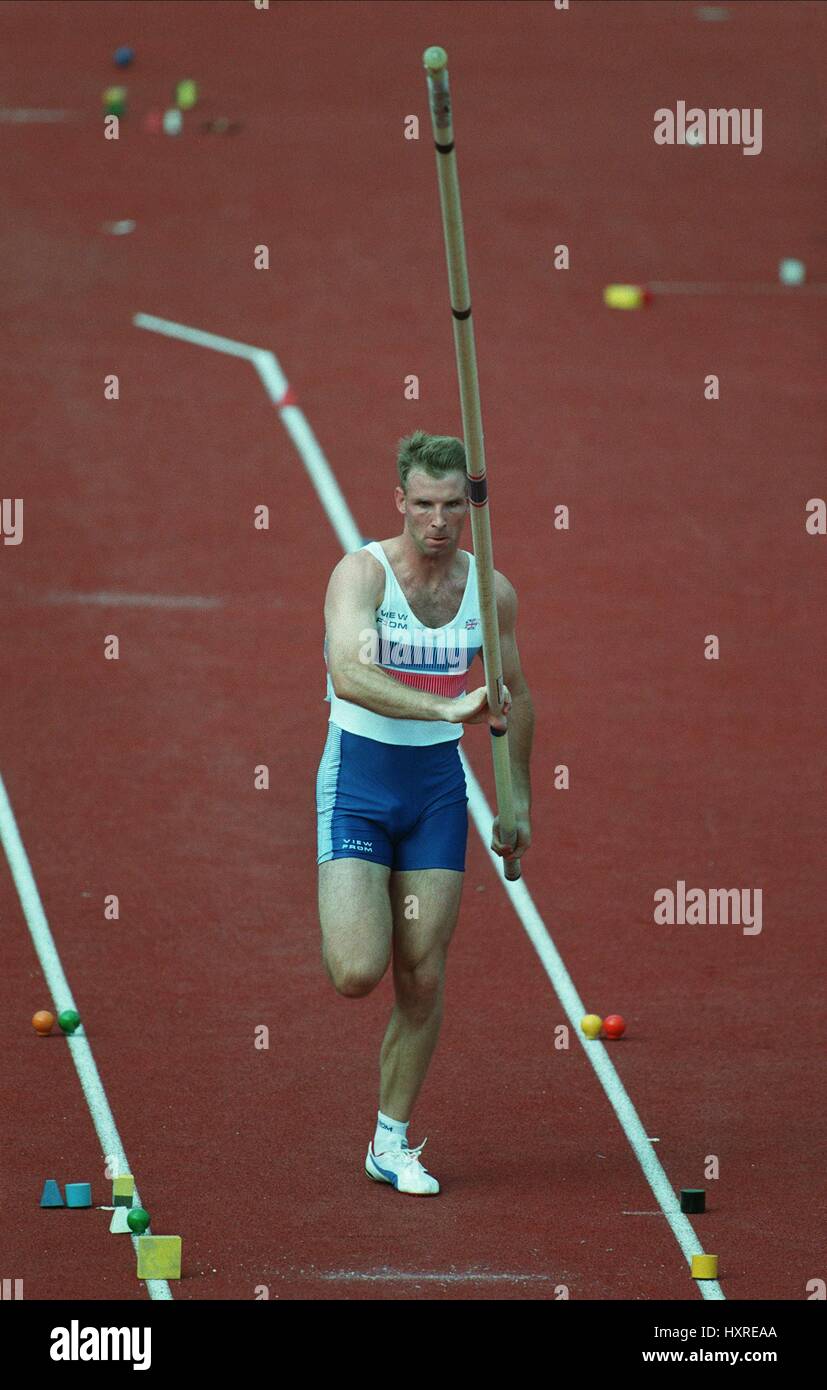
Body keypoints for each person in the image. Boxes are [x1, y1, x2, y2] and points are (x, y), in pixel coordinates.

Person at [316, 430, 534, 1194]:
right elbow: (349, 674)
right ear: (399, 502)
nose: (436, 522)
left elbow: (514, 694)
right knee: (355, 971)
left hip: (437, 793)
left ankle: (390, 1141)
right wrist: (445, 711)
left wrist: (517, 804)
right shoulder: (361, 575)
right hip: (360, 782)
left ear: (467, 508)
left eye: (450, 506)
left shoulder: (489, 592)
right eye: (422, 505)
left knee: (423, 976)